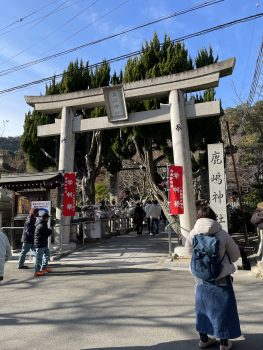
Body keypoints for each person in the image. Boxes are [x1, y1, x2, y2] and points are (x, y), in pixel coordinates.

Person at [185, 206, 241, 350]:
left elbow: (188, 252)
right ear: (214, 218)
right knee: (223, 308)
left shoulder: (193, 233)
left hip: (201, 278)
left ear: (198, 218)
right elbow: (235, 256)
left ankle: (204, 339)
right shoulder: (222, 234)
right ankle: (223, 342)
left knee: (202, 307)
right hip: (221, 277)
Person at [34, 213, 52, 277]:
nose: (48, 219)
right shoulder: (41, 225)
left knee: (47, 254)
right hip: (40, 244)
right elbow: (46, 233)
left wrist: (49, 231)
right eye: (48, 217)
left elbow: (46, 232)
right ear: (45, 218)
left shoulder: (44, 224)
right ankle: (37, 271)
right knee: (39, 258)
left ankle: (44, 267)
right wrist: (50, 230)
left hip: (43, 243)